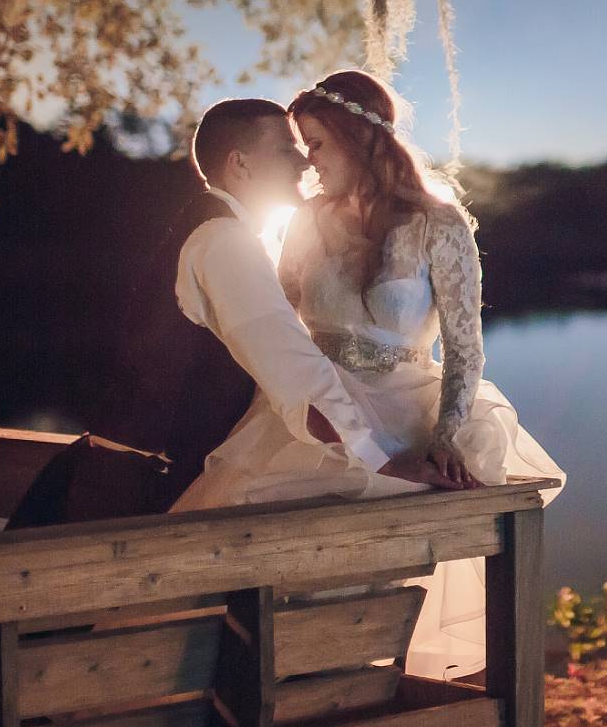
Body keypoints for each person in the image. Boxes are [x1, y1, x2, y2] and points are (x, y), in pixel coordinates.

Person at [171, 71, 565, 679]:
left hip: (409, 415)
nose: (307, 163)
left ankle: (350, 688)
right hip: (325, 412)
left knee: (377, 573)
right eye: (299, 147)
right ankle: (271, 688)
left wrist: (445, 438)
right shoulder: (302, 223)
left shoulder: (440, 225)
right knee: (266, 550)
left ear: (359, 138)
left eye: (317, 144)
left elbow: (465, 351)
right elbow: (277, 328)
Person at [82, 97, 457, 518]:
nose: (304, 162)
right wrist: (382, 461)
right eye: (286, 149)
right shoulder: (225, 243)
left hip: (133, 477)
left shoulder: (215, 229)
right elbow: (295, 369)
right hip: (137, 492)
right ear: (240, 165)